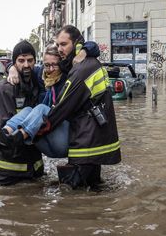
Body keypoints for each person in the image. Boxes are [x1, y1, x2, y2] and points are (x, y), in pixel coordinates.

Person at [0, 41, 101, 158]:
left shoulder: (69, 76)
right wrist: (12, 68)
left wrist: (82, 53)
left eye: (55, 65)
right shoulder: (40, 75)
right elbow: (23, 65)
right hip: (45, 136)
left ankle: (18, 137)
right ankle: (5, 134)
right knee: (29, 109)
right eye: (47, 65)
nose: (50, 69)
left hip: (63, 140)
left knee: (42, 108)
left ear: (61, 64)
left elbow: (94, 47)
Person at [44, 25, 121, 188]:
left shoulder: (81, 69)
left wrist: (39, 129)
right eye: (58, 45)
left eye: (63, 44)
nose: (59, 49)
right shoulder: (90, 62)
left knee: (74, 198)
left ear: (77, 44)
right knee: (93, 192)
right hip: (96, 140)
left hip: (85, 143)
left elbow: (63, 107)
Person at [0, 40, 43, 186]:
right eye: (21, 61)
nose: (26, 65)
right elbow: (3, 125)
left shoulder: (37, 83)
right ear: (14, 62)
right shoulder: (5, 89)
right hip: (8, 170)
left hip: (33, 167)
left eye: (30, 60)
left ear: (35, 61)